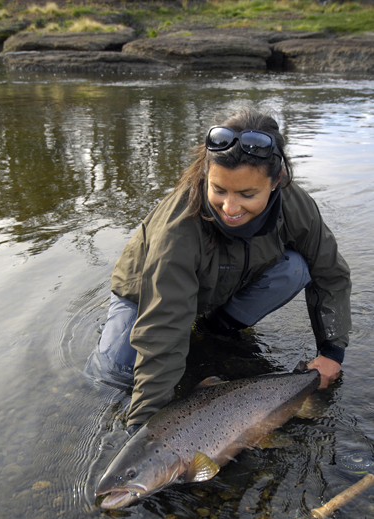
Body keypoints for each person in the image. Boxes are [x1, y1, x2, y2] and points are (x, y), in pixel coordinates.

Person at [85, 108, 352, 435]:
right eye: (219, 190)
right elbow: (163, 329)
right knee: (116, 372)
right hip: (144, 297)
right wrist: (145, 430)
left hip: (221, 284)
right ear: (205, 173)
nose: (230, 208)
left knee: (297, 268)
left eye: (247, 194)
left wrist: (331, 351)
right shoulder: (177, 232)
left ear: (277, 181)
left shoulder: (296, 206)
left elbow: (331, 274)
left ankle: (216, 329)